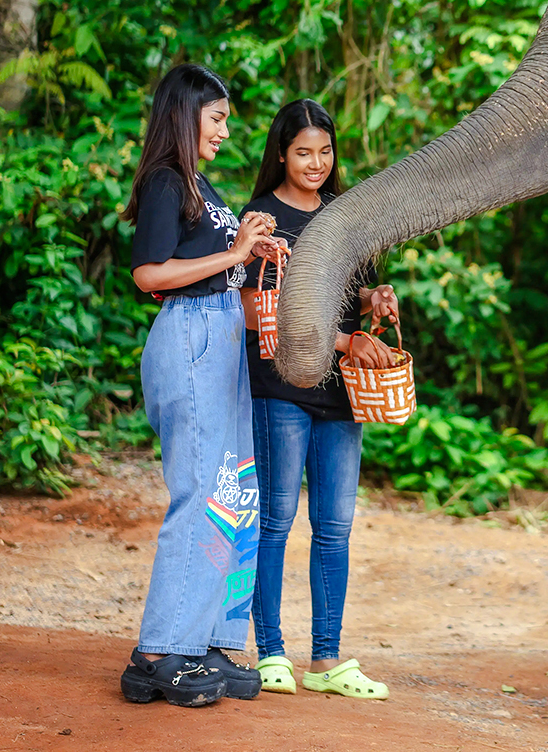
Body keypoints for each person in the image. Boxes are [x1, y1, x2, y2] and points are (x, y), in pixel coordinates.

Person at [119, 63, 285, 708]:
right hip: (190, 338)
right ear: (186, 115)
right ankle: (158, 653)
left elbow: (218, 267)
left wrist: (252, 257)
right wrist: (234, 255)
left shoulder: (201, 185)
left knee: (232, 491)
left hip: (222, 336)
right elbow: (150, 273)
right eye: (216, 118)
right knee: (198, 493)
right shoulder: (166, 180)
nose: (224, 130)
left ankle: (207, 638)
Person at [239, 98, 401, 699]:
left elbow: (343, 294)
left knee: (334, 528)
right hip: (281, 388)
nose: (315, 162)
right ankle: (270, 650)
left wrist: (371, 302)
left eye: (325, 151)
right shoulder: (261, 217)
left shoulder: (343, 215)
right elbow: (261, 311)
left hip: (342, 396)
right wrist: (343, 339)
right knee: (276, 521)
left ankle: (327, 658)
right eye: (303, 151)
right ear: (281, 153)